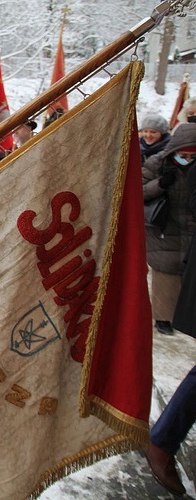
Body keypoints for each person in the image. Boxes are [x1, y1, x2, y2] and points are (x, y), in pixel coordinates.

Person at [147, 158, 196, 496]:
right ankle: (163, 441)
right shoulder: (162, 166)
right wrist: (160, 184)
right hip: (168, 245)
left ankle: (163, 440)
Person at [142, 123, 196, 335]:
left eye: (192, 156)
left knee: (188, 276)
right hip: (163, 226)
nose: (187, 159)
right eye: (183, 154)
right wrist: (161, 184)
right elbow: (139, 191)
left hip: (190, 228)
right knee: (165, 274)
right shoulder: (158, 163)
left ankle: (185, 316)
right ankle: (163, 318)